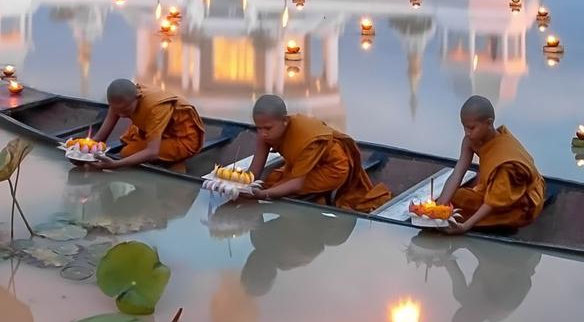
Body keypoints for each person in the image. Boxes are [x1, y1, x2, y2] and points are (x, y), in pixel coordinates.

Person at [238, 94, 392, 213]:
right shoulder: (266, 133)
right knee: (271, 180)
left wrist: (264, 195)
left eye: (267, 128)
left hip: (332, 169)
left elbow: (296, 183)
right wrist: (237, 185)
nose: (262, 133)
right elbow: (254, 171)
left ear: (285, 121)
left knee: (280, 188)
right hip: (302, 166)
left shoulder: (306, 136)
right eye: (259, 128)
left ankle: (320, 199)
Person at [429, 95, 545, 234]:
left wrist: (465, 227)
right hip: (496, 192)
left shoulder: (506, 163)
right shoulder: (470, 141)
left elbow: (493, 202)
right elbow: (459, 171)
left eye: (472, 128)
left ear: (489, 123)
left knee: (459, 209)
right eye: (464, 127)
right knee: (453, 199)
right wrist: (439, 208)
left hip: (520, 205)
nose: (467, 133)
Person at [81, 78, 205, 170]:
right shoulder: (121, 103)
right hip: (155, 131)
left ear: (138, 97)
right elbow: (101, 137)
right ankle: (164, 155)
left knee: (126, 152)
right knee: (126, 139)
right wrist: (83, 151)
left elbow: (152, 151)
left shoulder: (155, 108)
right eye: (116, 110)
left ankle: (175, 161)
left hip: (183, 139)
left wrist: (115, 164)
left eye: (125, 111)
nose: (122, 115)